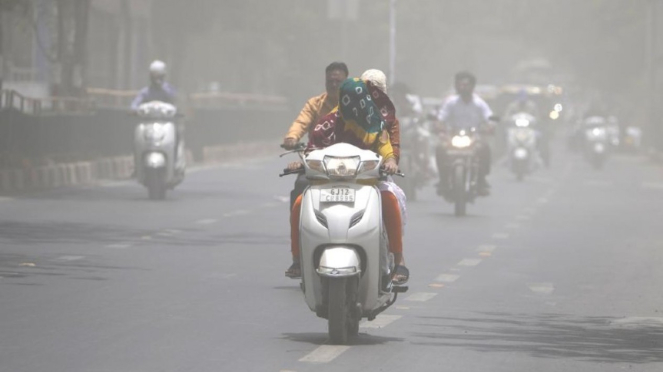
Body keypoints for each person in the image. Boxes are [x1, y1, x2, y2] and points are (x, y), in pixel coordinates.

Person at [285, 78, 409, 285]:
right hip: (327, 183)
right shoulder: (327, 123)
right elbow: (312, 151)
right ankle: (297, 259)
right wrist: (301, 163)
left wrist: (390, 161)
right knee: (299, 203)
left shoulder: (375, 122)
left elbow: (386, 148)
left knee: (389, 199)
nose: (354, 106)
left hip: (367, 183)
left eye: (358, 100)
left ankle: (399, 260)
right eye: (348, 101)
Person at [282, 62, 349, 209]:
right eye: (330, 81)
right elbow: (301, 122)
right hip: (317, 161)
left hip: (351, 163)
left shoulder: (356, 105)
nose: (333, 85)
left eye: (338, 82)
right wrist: (292, 138)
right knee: (301, 184)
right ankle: (297, 231)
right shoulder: (315, 104)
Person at [435, 71, 495, 196]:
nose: (463, 87)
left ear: (472, 86)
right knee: (440, 149)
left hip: (473, 138)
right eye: (461, 85)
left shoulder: (479, 103)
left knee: (484, 149)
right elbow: (441, 118)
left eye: (466, 85)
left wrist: (490, 127)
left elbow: (489, 117)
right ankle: (443, 180)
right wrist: (439, 126)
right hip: (452, 137)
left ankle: (481, 180)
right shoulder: (451, 102)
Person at [130, 60, 183, 174]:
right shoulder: (145, 92)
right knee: (135, 138)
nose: (156, 79)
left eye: (159, 76)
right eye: (154, 76)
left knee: (177, 135)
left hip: (166, 124)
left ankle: (175, 163)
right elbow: (135, 104)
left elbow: (178, 101)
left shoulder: (169, 90)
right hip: (148, 125)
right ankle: (136, 164)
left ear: (164, 76)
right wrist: (134, 110)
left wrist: (179, 109)